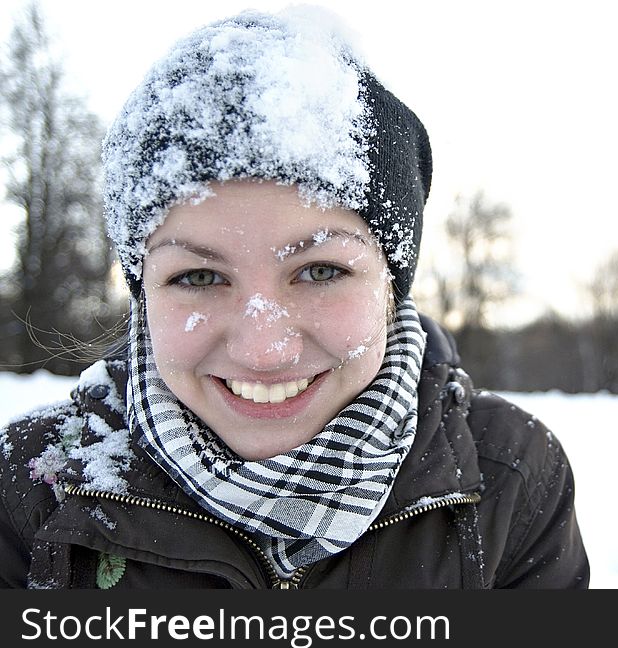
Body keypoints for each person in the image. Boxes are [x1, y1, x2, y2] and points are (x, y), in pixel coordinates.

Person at [0, 6, 588, 589]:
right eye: (199, 278)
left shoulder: (512, 479)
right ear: (142, 291)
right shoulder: (27, 492)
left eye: (320, 271)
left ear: (390, 282)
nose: (264, 351)